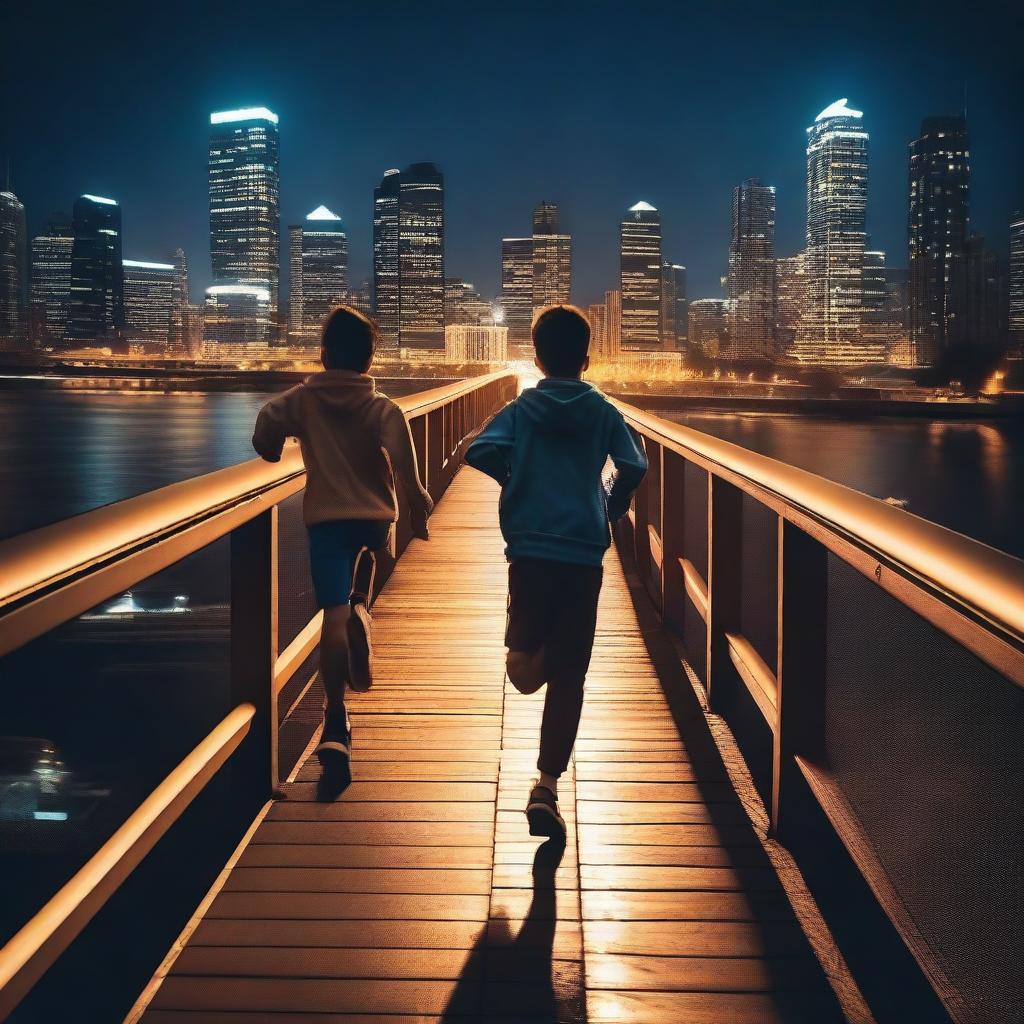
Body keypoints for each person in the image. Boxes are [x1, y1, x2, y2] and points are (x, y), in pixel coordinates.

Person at [465, 304, 647, 839]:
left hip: (529, 551)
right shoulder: (604, 411)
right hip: (583, 553)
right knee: (569, 674)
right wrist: (610, 505)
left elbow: (480, 451)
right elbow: (633, 464)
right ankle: (546, 783)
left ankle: (546, 786)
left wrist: (516, 481)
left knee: (521, 666)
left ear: (537, 358)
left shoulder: (523, 409)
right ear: (587, 361)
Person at [252, 305, 432, 796]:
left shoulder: (301, 401)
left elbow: (265, 432)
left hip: (327, 520)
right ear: (369, 359)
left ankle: (335, 720)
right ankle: (361, 605)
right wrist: (419, 508)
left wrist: (282, 444)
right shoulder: (383, 408)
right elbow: (407, 472)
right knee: (371, 556)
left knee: (330, 616)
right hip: (376, 520)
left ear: (324, 354)